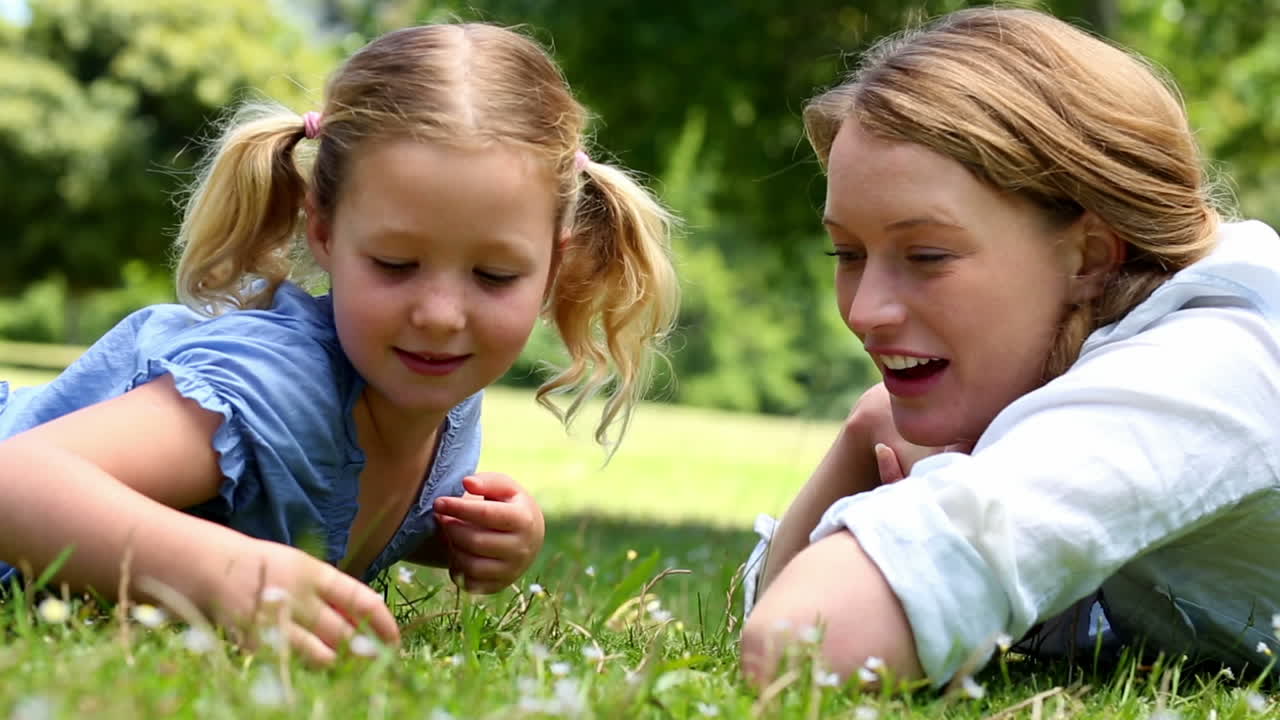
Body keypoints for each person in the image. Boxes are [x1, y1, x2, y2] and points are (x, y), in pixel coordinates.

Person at [0, 23, 678, 664]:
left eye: (494, 275)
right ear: (322, 233)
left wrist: (467, 538)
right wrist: (226, 574)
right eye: (395, 265)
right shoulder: (277, 385)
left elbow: (319, 498)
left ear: (555, 265)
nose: (441, 316)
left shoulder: (431, 392)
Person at [741, 5, 1280, 688]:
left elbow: (806, 642)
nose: (865, 310)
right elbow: (767, 619)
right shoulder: (1080, 359)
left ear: (1088, 257)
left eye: (928, 255)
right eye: (846, 252)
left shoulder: (1205, 368)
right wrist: (863, 435)